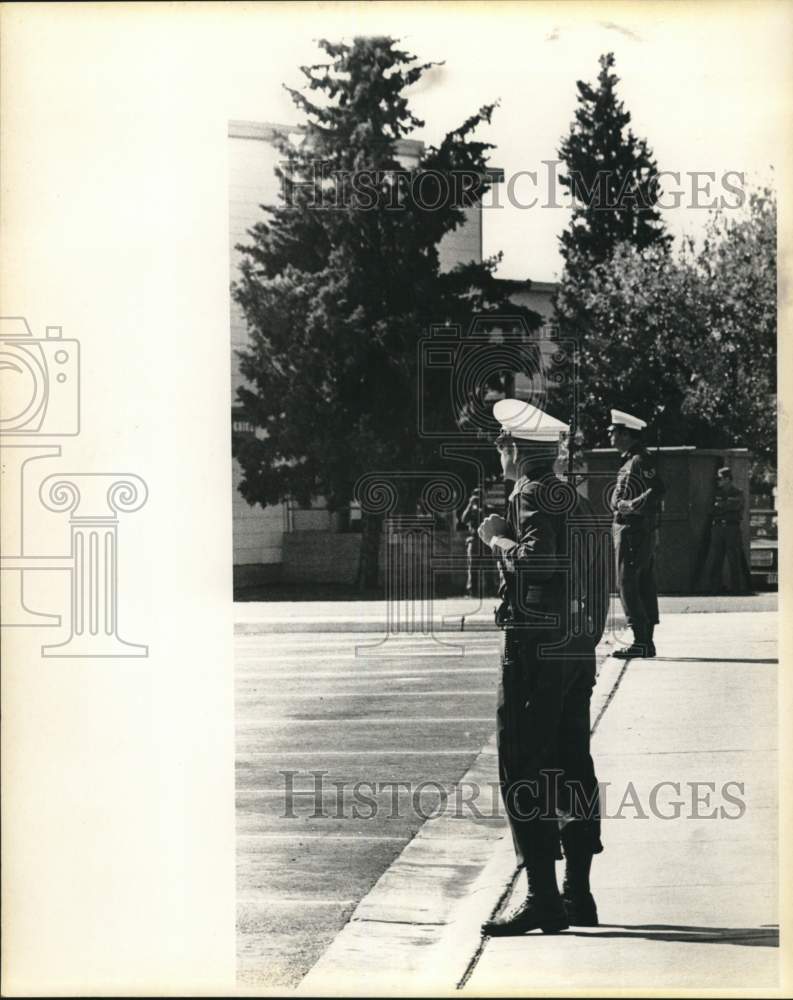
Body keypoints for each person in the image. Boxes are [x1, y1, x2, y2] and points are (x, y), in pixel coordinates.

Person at [477, 399, 609, 936]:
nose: (498, 452)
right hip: (574, 652)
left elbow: (539, 561)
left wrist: (497, 537)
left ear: (515, 449)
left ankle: (543, 899)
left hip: (536, 652)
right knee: (573, 765)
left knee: (523, 769)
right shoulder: (572, 499)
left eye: (502, 444)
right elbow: (600, 579)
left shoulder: (530, 494)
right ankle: (579, 894)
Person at [608, 409, 666, 659]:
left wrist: (632, 505)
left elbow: (658, 489)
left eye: (613, 432)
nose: (609, 435)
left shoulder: (640, 459)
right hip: (633, 530)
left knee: (628, 583)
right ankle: (645, 642)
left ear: (624, 434)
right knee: (641, 584)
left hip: (634, 530)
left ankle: (641, 641)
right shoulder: (632, 459)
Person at [702, 467, 751, 594]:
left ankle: (736, 589)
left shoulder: (737, 492)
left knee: (733, 558)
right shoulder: (716, 493)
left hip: (731, 528)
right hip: (717, 528)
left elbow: (734, 506)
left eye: (720, 478)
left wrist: (721, 506)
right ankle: (715, 588)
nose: (718, 481)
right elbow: (710, 510)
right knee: (716, 559)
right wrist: (723, 506)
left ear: (728, 479)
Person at [458, 487, 498, 597]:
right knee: (472, 567)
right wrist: (470, 505)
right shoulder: (470, 510)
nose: (477, 498)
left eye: (479, 495)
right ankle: (472, 591)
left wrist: (482, 510)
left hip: (486, 540)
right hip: (474, 539)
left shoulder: (488, 509)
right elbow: (463, 519)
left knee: (489, 566)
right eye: (475, 495)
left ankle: (491, 590)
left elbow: (492, 521)